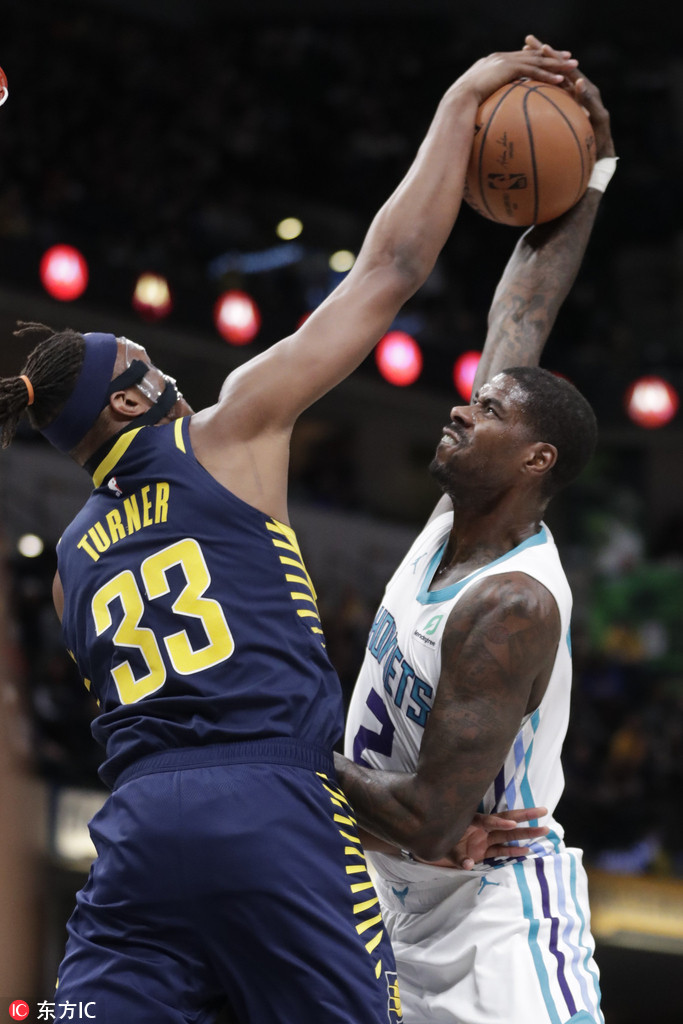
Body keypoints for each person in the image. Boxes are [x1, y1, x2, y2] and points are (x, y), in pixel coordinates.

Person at [0, 43, 577, 1024]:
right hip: (274, 812)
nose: (168, 374)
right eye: (147, 363)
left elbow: (190, 742)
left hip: (135, 831)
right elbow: (392, 267)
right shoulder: (227, 432)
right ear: (131, 398)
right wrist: (463, 93)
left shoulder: (68, 564)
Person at [338, 38, 616, 1024]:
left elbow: (429, 818)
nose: (460, 408)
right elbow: (523, 307)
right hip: (378, 892)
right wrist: (591, 169)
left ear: (535, 460)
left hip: (492, 920)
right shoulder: (445, 524)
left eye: (487, 410)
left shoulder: (509, 603)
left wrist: (281, 743)